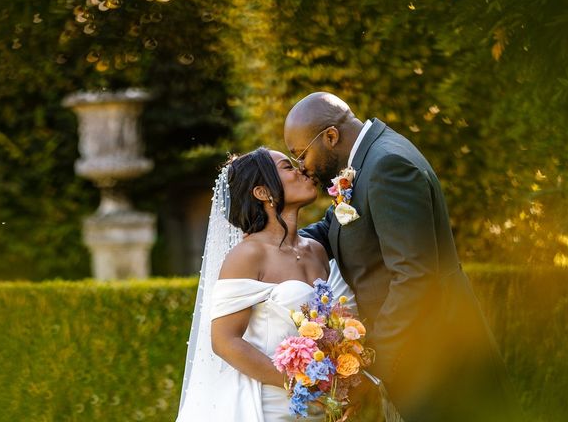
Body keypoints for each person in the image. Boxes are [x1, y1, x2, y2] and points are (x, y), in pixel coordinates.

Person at [286, 92, 516, 422]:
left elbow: (414, 277)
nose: (303, 169)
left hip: (439, 364)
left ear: (331, 137)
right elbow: (333, 227)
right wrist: (276, 242)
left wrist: (372, 363)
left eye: (301, 155)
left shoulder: (387, 166)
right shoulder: (366, 162)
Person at [176, 148, 357, 421]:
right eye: (287, 167)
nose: (303, 170)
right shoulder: (248, 254)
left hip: (321, 407)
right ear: (262, 193)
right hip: (270, 406)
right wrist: (299, 386)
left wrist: (336, 386)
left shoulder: (317, 250)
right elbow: (224, 341)